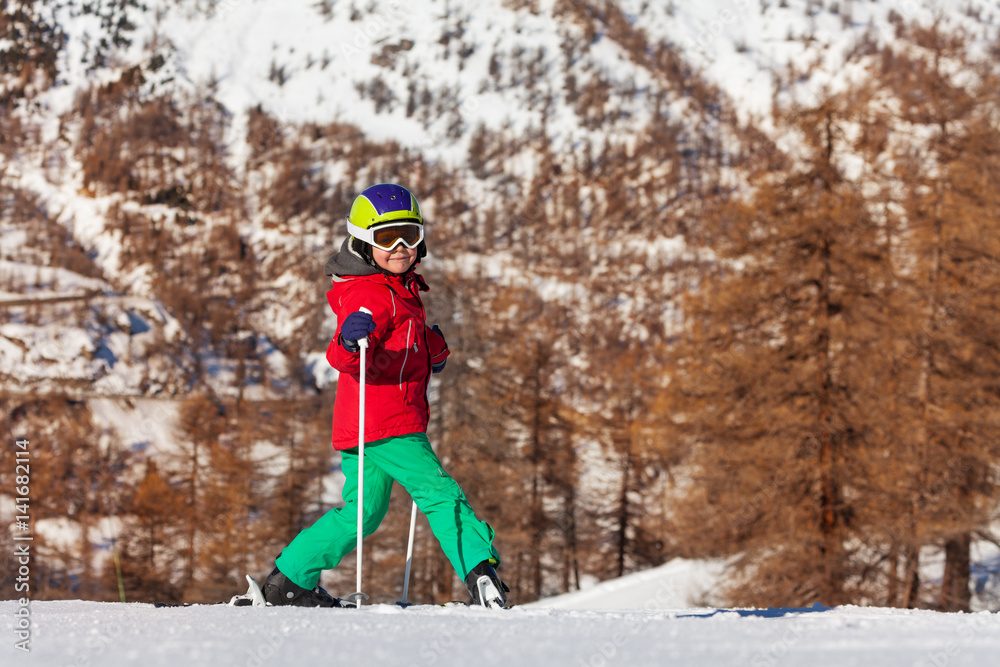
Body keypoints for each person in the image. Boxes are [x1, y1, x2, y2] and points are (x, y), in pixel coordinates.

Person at [261, 183, 508, 608]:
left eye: (408, 236)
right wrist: (348, 339)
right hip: (387, 422)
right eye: (385, 238)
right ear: (363, 242)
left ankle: (289, 579)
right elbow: (348, 353)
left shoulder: (398, 287)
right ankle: (479, 571)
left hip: (361, 424)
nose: (399, 248)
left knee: (363, 513)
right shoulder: (369, 293)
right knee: (439, 493)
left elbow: (401, 343)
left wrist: (433, 348)